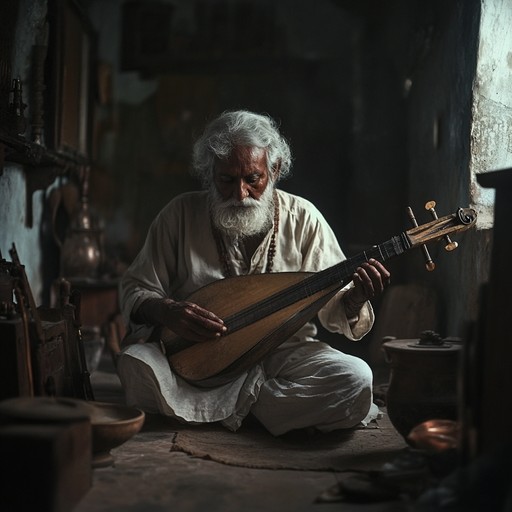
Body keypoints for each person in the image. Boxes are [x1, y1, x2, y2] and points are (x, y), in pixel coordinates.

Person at [117, 110, 391, 436]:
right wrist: (167, 311)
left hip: (285, 354)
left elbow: (335, 309)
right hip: (198, 357)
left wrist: (355, 298)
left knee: (356, 379)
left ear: (273, 170)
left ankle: (228, 407)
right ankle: (269, 411)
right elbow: (136, 287)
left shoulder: (304, 218)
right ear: (209, 172)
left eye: (253, 179)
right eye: (227, 180)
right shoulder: (179, 215)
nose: (240, 195)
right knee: (136, 364)